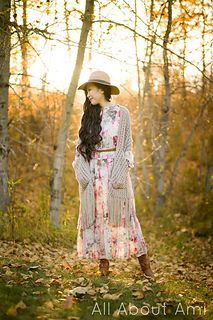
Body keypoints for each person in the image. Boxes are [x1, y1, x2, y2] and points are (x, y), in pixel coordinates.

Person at [72, 70, 154, 279]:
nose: (88, 94)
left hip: (115, 172)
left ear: (101, 89)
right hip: (93, 174)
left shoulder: (121, 113)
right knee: (98, 217)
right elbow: (80, 147)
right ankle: (103, 268)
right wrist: (83, 174)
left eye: (90, 90)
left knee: (126, 216)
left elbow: (126, 146)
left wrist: (120, 172)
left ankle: (145, 266)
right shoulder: (89, 115)